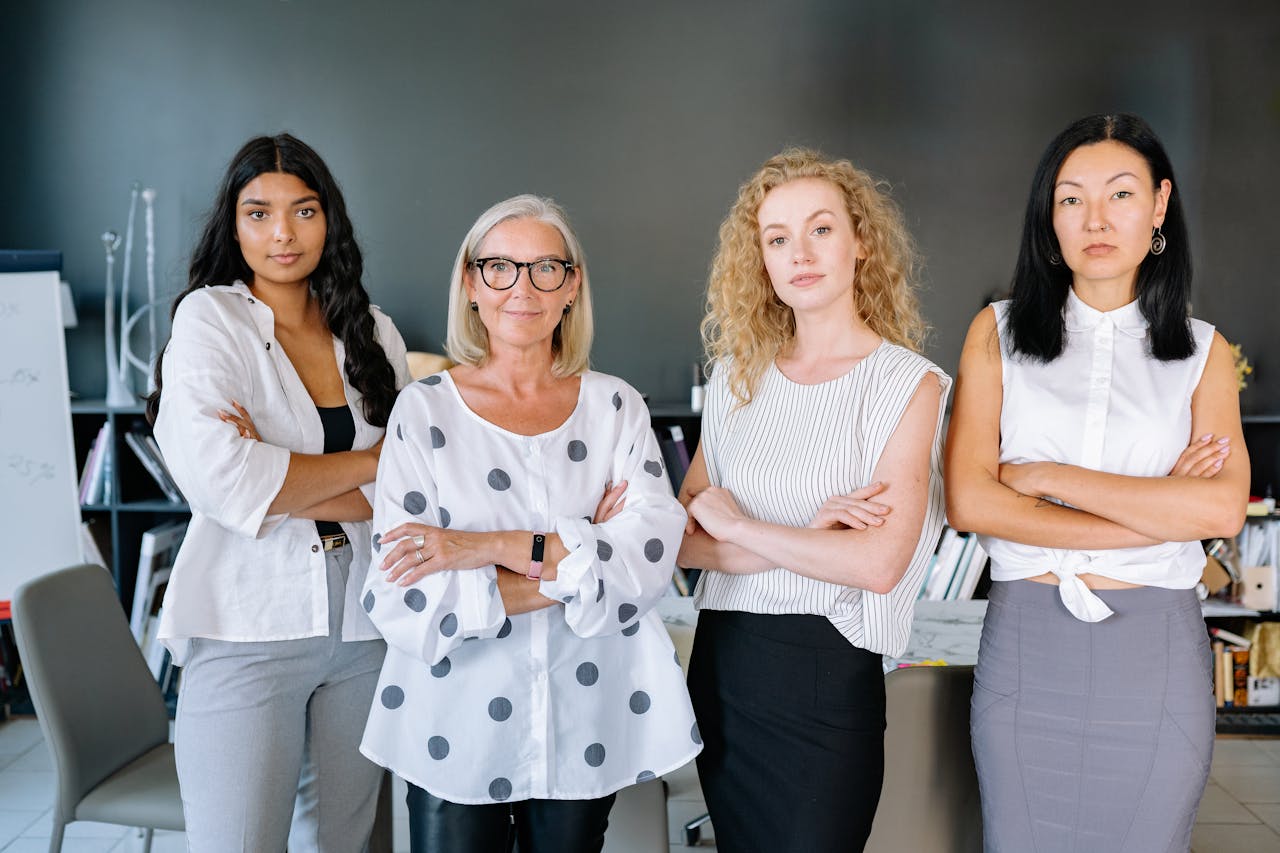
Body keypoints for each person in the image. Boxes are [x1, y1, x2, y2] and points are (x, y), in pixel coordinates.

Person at [944, 113, 1250, 851]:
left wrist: (1048, 478)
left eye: (1119, 194)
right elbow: (969, 500)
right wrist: (1155, 512)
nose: (1096, 218)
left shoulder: (1204, 353)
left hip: (1156, 652)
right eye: (1071, 198)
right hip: (1026, 641)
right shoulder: (997, 331)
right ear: (1049, 220)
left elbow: (1220, 507)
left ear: (1159, 205)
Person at [359, 194, 700, 853]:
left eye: (546, 267)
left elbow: (651, 558)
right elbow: (402, 594)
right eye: (500, 268)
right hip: (452, 720)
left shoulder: (616, 407)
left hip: (586, 714)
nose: (523, 287)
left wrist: (479, 549)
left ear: (571, 286)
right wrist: (585, 551)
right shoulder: (424, 411)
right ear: (470, 282)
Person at [679, 148, 950, 852]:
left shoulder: (907, 384)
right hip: (727, 662)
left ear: (862, 242)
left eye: (821, 229)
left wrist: (738, 527)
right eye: (777, 238)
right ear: (760, 260)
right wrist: (810, 536)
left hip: (828, 669)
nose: (799, 252)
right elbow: (678, 537)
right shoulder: (736, 378)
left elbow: (879, 564)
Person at [147, 133, 411, 852]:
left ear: (331, 221)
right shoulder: (210, 321)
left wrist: (277, 471)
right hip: (246, 621)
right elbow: (222, 481)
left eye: (304, 210)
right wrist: (372, 462)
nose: (283, 234)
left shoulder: (372, 331)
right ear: (233, 225)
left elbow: (419, 487)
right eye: (259, 213)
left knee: (346, 843)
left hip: (364, 620)